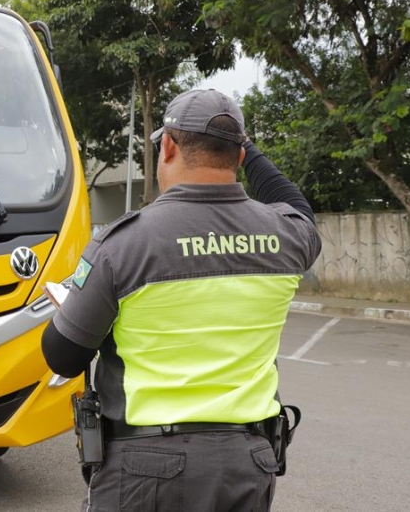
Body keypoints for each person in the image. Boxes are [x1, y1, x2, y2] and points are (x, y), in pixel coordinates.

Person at [42, 89, 322, 511]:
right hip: (248, 464)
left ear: (168, 145)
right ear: (240, 156)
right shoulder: (287, 237)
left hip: (144, 470)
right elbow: (298, 206)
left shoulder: (123, 244)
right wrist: (243, 144)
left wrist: (75, 309)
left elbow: (62, 357)